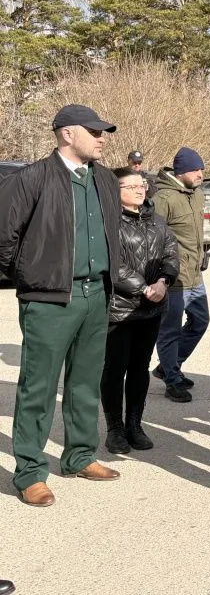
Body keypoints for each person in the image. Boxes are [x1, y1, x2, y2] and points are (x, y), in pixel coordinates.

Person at [0, 104, 124, 507]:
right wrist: (30, 279)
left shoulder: (104, 179)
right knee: (37, 387)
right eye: (95, 131)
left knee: (86, 383)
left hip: (96, 296)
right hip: (50, 299)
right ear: (67, 133)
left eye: (104, 132)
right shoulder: (30, 179)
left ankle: (80, 456)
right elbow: (4, 239)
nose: (102, 137)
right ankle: (31, 472)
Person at [101, 167, 179, 455]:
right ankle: (115, 429)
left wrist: (162, 281)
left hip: (152, 309)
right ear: (115, 191)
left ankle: (135, 423)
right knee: (115, 368)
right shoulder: (109, 221)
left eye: (141, 184)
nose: (139, 189)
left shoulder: (157, 221)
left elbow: (172, 253)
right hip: (120, 309)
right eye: (130, 185)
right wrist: (143, 287)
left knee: (139, 368)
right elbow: (112, 263)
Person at [151, 147, 209, 403]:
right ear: (182, 171)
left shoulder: (196, 194)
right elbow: (153, 238)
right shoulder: (163, 198)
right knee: (169, 330)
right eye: (196, 170)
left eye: (201, 169)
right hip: (174, 277)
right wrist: (161, 273)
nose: (200, 174)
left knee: (200, 321)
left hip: (195, 274)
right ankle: (172, 380)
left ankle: (168, 365)